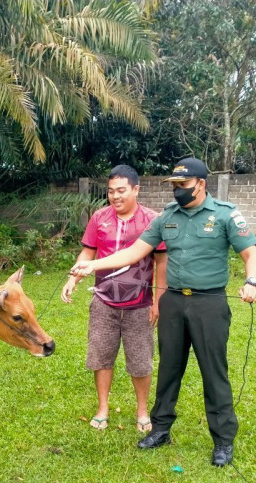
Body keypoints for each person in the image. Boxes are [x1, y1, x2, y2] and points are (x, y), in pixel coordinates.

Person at [69, 157, 256, 466]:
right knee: (169, 369)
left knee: (213, 372)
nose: (177, 190)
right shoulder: (166, 217)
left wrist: (251, 282)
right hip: (173, 301)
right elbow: (134, 252)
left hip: (209, 303)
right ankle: (160, 429)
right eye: (174, 185)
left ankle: (223, 440)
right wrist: (92, 265)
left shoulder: (225, 214)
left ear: (200, 184)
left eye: (183, 185)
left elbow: (250, 253)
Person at [62, 164, 167, 432]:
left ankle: (142, 411)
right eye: (111, 191)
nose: (115, 196)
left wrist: (158, 301)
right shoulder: (99, 217)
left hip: (140, 304)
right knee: (101, 356)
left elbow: (162, 262)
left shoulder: (152, 220)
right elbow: (88, 252)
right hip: (103, 302)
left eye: (121, 190)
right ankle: (102, 408)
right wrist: (73, 278)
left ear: (136, 189)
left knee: (140, 360)